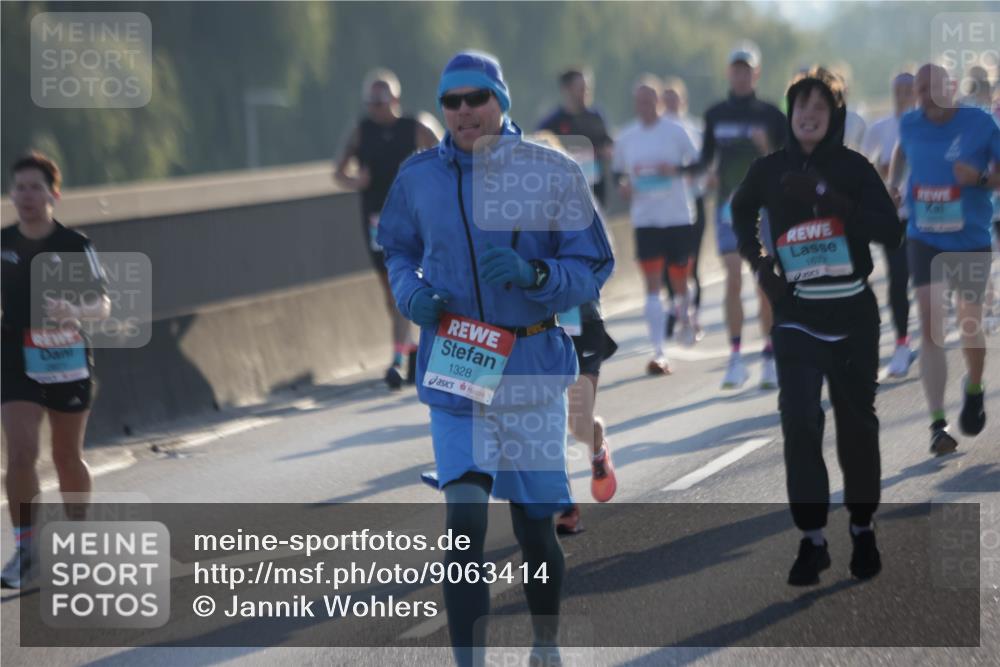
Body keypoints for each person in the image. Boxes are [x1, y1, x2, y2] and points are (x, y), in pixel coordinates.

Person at [377, 51, 614, 666]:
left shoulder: (551, 169)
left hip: (531, 368)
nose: (462, 112)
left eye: (475, 98)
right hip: (457, 364)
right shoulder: (419, 176)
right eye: (450, 101)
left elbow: (593, 267)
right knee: (463, 525)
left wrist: (538, 273)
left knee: (536, 527)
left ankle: (545, 644)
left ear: (500, 101)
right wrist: (411, 293)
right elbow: (397, 250)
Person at [732, 66, 903, 586]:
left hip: (852, 315)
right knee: (800, 422)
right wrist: (763, 269)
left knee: (856, 427)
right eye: (801, 108)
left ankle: (862, 526)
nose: (809, 116)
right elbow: (739, 215)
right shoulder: (767, 169)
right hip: (797, 316)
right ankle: (812, 540)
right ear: (790, 115)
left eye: (820, 109)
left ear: (834, 118)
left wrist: (830, 200)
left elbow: (890, 233)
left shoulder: (853, 167)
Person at [2, 152, 112, 589]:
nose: (26, 196)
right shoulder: (4, 242)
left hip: (66, 358)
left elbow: (103, 305)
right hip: (14, 357)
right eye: (19, 187)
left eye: (35, 187)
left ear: (54, 194)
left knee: (67, 457)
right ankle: (27, 549)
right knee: (21, 454)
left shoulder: (75, 245)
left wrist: (74, 309)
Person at [889, 63, 1000, 454]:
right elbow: (902, 149)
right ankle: (938, 424)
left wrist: (981, 180)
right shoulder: (911, 123)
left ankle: (973, 385)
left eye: (931, 89)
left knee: (970, 324)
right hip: (924, 236)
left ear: (950, 88)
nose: (923, 97)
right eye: (918, 90)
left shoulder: (981, 123)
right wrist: (894, 184)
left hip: (969, 238)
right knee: (931, 319)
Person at [536, 70, 621, 531]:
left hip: (581, 323)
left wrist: (564, 280)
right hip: (541, 331)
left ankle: (597, 449)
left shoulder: (581, 213)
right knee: (546, 416)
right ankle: (564, 503)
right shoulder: (516, 220)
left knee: (576, 421)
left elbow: (601, 265)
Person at [685, 41, 786, 389]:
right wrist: (695, 173)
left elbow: (788, 162)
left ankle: (770, 355)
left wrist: (765, 148)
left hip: (765, 208)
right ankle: (735, 357)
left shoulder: (771, 114)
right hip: (729, 208)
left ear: (756, 73)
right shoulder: (715, 114)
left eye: (747, 69)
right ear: (729, 73)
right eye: (736, 69)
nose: (741, 75)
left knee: (763, 284)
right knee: (732, 278)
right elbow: (704, 159)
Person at [334, 68, 441, 390]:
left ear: (395, 99)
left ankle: (404, 356)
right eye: (370, 102)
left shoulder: (416, 126)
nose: (375, 107)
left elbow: (446, 156)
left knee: (416, 280)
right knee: (391, 290)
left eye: (380, 101)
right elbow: (338, 172)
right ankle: (408, 349)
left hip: (414, 216)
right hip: (377, 220)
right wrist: (357, 181)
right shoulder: (360, 131)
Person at [613, 74, 699, 373]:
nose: (645, 106)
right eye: (640, 101)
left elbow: (698, 162)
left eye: (650, 101)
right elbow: (616, 174)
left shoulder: (676, 131)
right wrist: (623, 185)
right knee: (651, 286)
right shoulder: (626, 136)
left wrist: (673, 169)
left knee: (679, 280)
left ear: (660, 102)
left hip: (677, 216)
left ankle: (685, 313)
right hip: (645, 219)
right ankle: (659, 351)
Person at [861, 72, 917, 377]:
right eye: (899, 89)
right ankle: (902, 342)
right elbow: (863, 163)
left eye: (909, 89)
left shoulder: (926, 127)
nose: (903, 94)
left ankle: (930, 320)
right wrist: (880, 174)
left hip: (927, 215)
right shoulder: (880, 128)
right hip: (892, 215)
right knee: (898, 278)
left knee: (921, 278)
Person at [662, 76, 708, 343]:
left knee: (690, 264)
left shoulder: (695, 129)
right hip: (667, 207)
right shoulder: (656, 131)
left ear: (683, 101)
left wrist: (693, 176)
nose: (669, 105)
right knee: (670, 265)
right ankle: (675, 312)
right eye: (665, 101)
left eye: (674, 99)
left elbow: (704, 163)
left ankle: (693, 314)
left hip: (693, 203)